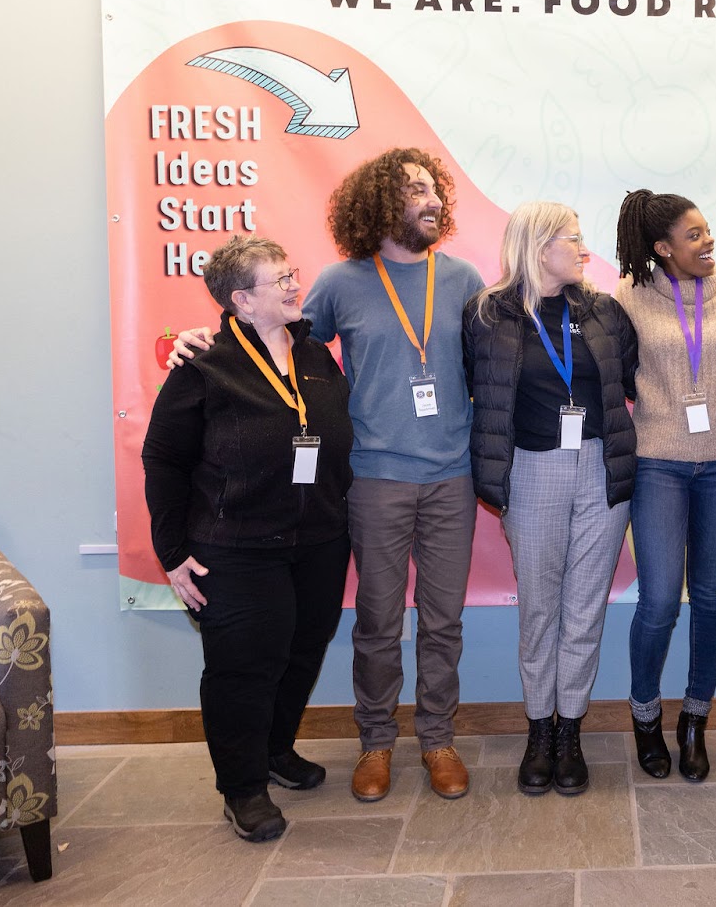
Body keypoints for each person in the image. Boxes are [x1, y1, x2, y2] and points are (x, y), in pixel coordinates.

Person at [168, 148, 485, 804]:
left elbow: (499, 358)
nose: (430, 200)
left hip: (453, 477)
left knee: (443, 621)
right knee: (375, 622)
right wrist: (199, 338)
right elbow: (267, 336)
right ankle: (375, 742)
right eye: (413, 191)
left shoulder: (462, 278)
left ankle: (436, 739)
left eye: (433, 189)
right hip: (372, 480)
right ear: (380, 206)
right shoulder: (341, 283)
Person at [142, 235, 354, 842]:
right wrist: (173, 553)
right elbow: (163, 460)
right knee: (243, 667)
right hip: (236, 548)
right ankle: (242, 788)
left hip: (318, 539)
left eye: (293, 273)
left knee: (303, 649)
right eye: (280, 278)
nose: (295, 284)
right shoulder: (204, 363)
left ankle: (275, 750)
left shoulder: (314, 351)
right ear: (241, 299)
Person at [462, 202, 639, 797]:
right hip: (531, 473)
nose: (586, 249)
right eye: (574, 239)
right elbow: (473, 389)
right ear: (539, 248)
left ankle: (571, 732)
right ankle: (539, 731)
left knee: (584, 610)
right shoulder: (488, 315)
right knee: (541, 609)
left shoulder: (604, 311)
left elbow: (633, 377)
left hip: (600, 472)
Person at [614, 187, 716, 782]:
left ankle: (695, 717)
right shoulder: (628, 297)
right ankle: (645, 716)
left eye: (707, 229)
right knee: (659, 601)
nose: (708, 241)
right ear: (661, 248)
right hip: (659, 467)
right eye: (693, 236)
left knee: (712, 597)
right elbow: (617, 373)